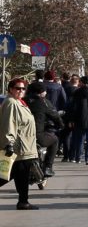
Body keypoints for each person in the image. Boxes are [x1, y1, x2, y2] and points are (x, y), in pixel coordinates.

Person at [1, 79, 40, 209]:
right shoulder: (11, 103)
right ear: (10, 89)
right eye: (18, 88)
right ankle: (23, 201)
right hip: (19, 146)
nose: (21, 91)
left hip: (26, 145)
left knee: (21, 175)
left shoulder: (19, 102)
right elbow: (9, 124)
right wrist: (9, 143)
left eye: (23, 89)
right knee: (7, 175)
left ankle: (23, 201)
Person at [26, 82, 62, 179]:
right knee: (55, 140)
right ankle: (48, 167)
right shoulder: (43, 102)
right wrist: (61, 125)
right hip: (37, 135)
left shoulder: (21, 101)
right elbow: (55, 116)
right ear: (41, 92)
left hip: (21, 136)